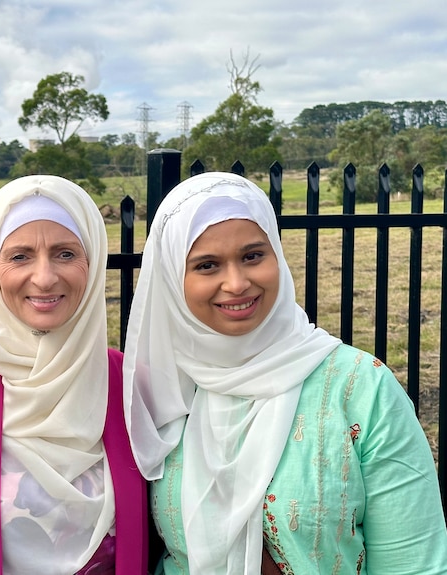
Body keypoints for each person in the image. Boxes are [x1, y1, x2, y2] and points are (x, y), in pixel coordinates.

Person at [122, 171, 447, 574]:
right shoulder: (161, 392)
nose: (237, 283)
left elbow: (413, 563)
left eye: (253, 256)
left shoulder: (360, 388)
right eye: (207, 265)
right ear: (173, 279)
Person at [0, 174, 156, 574]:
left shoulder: (134, 385)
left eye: (65, 253)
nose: (44, 277)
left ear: (93, 263)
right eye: (20, 256)